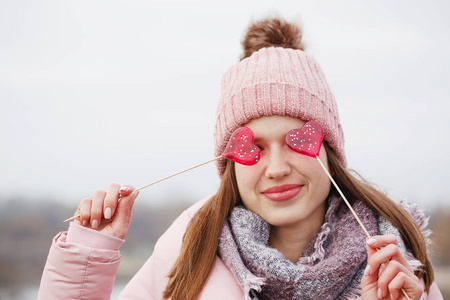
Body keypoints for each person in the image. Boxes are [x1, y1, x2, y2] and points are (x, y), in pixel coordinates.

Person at [38, 17, 443, 300]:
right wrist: (89, 254)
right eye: (255, 147)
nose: (277, 167)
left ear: (330, 148)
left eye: (297, 140)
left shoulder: (396, 261)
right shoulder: (186, 249)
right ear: (229, 161)